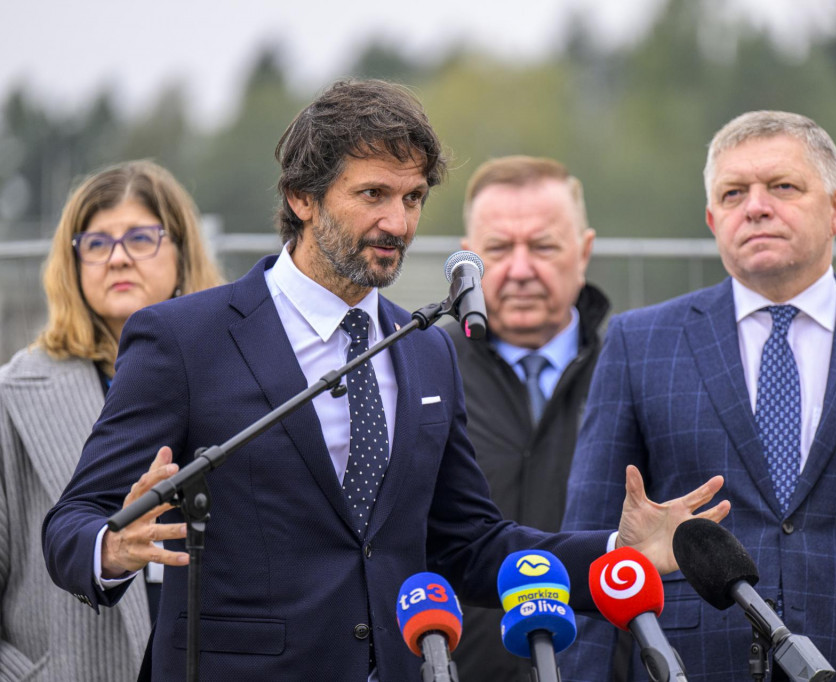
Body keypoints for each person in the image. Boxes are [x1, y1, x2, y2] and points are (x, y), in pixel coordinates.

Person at [41, 80, 730, 681]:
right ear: (301, 198)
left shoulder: (427, 350)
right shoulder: (184, 338)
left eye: (413, 197)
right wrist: (111, 545)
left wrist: (618, 552)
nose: (397, 223)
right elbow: (70, 523)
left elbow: (471, 544)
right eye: (373, 194)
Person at [560, 111, 836, 680]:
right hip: (690, 667)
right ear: (712, 218)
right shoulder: (638, 344)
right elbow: (596, 550)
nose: (756, 206)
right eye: (733, 193)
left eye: (783, 187)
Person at [0, 160, 223, 681]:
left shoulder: (240, 374)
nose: (118, 259)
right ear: (71, 263)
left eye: (141, 238)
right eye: (97, 244)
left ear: (182, 252)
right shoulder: (12, 396)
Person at [444, 156, 608, 679]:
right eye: (498, 249)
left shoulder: (632, 370)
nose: (519, 269)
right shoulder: (421, 370)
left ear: (583, 252)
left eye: (542, 246)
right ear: (469, 258)